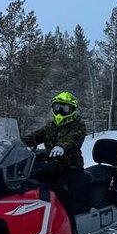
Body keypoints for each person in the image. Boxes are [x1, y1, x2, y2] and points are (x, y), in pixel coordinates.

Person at [22, 91, 88, 225]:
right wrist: (16, 142)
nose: (60, 112)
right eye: (57, 108)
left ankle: (70, 226)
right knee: (29, 185)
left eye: (65, 109)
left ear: (73, 110)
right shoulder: (50, 127)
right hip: (51, 167)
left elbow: (72, 138)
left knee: (61, 190)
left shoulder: (78, 125)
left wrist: (61, 147)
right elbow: (35, 136)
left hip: (70, 168)